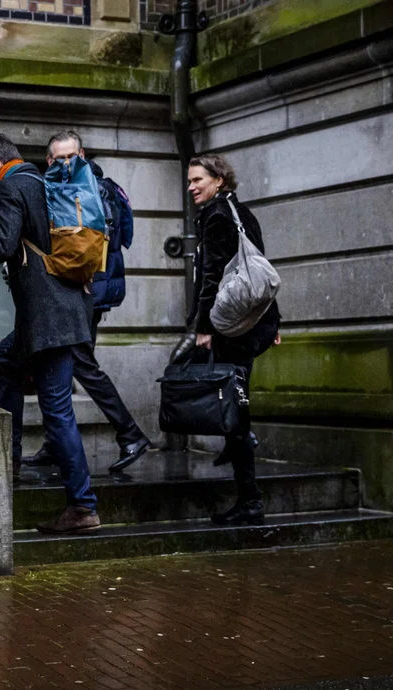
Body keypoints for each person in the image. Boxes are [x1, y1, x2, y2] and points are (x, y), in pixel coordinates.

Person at [0, 133, 100, 534]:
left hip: (49, 320)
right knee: (6, 363)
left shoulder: (12, 185)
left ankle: (82, 506)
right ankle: (10, 460)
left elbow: (1, 243)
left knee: (58, 411)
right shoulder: (44, 183)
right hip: (62, 312)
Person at [17, 131, 151, 474]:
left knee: (79, 361)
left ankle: (130, 434)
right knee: (64, 363)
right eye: (58, 158)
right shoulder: (96, 185)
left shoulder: (93, 186)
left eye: (70, 157)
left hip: (87, 289)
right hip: (87, 288)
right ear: (48, 160)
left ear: (83, 154)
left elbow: (93, 243)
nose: (65, 163)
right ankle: (54, 443)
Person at [187, 154, 281, 526]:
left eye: (198, 180)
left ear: (219, 181)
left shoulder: (216, 217)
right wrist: (274, 323)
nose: (192, 187)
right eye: (190, 181)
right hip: (253, 325)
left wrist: (204, 327)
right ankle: (237, 442)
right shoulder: (243, 213)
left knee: (236, 411)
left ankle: (250, 501)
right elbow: (261, 269)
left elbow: (212, 278)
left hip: (232, 329)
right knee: (233, 402)